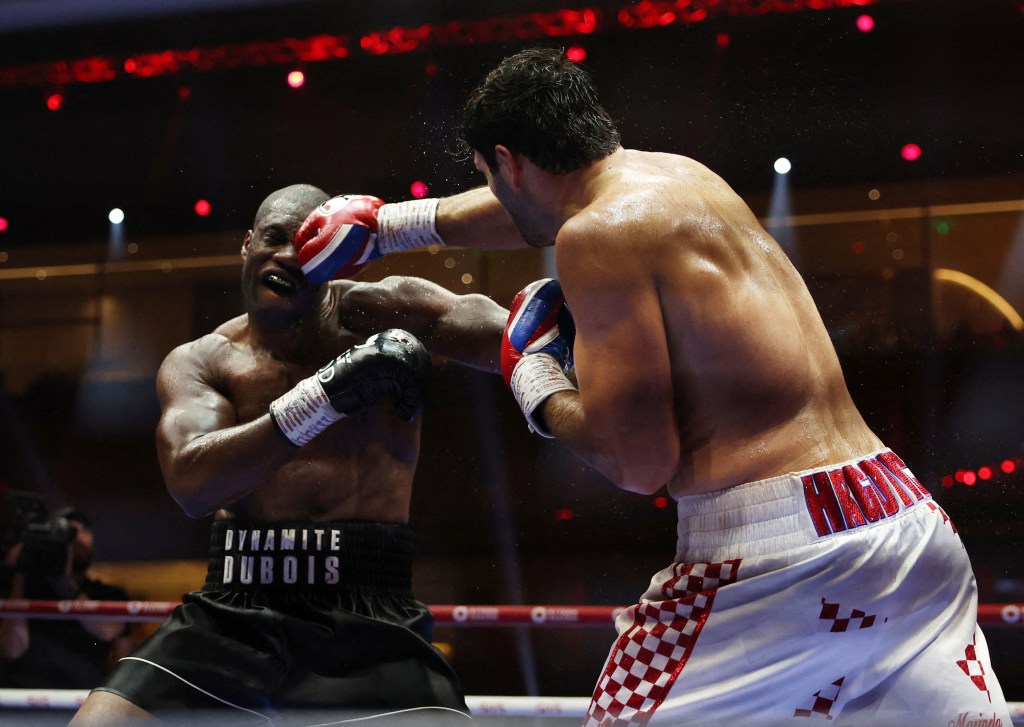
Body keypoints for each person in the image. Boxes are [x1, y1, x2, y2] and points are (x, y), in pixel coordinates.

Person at [295, 48, 1012, 726]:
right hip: (901, 523)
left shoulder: (593, 238)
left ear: (507, 163)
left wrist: (534, 374)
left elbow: (639, 464)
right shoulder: (677, 177)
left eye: (490, 175)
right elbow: (529, 211)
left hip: (773, 555)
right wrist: (391, 226)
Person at [70, 184, 508, 726]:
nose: (285, 256)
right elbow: (192, 483)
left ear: (335, 256)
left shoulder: (387, 313)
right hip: (235, 611)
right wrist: (323, 398)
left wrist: (578, 325)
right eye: (274, 239)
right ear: (248, 244)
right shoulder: (204, 360)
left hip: (368, 614)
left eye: (306, 247)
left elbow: (514, 337)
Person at [0, 505, 132, 689]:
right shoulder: (24, 591)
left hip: (83, 700)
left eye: (83, 531)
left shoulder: (108, 594)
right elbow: (11, 649)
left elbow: (108, 631)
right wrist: (19, 574)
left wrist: (67, 584)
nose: (76, 537)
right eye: (69, 532)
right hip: (24, 697)